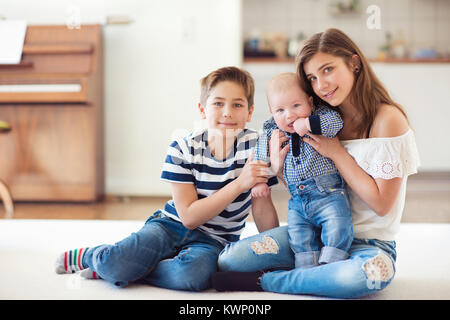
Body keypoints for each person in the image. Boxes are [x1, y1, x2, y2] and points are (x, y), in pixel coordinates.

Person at [212, 28, 420, 298]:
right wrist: (277, 169)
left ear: (354, 64)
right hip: (314, 234)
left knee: (361, 276)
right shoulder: (314, 116)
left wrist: (336, 152)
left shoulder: (386, 119)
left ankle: (269, 281)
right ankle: (313, 273)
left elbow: (382, 205)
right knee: (231, 260)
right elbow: (304, 184)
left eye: (328, 69)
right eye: (312, 77)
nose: (321, 85)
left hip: (370, 245)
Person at [54, 66, 278, 291]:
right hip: (170, 226)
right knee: (114, 263)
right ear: (202, 109)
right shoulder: (183, 148)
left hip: (214, 241)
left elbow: (261, 207)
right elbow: (189, 217)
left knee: (192, 276)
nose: (227, 112)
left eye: (237, 104)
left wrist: (274, 252)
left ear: (249, 112)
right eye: (218, 103)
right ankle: (94, 257)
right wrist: (240, 183)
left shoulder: (257, 150)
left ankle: (132, 268)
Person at [251, 72, 353, 269]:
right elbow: (260, 154)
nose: (289, 115)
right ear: (271, 112)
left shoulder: (319, 116)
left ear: (310, 102)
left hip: (328, 193)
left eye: (296, 106)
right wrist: (260, 181)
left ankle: (333, 262)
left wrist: (307, 124)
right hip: (297, 199)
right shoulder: (273, 131)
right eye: (280, 110)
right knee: (298, 234)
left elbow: (335, 123)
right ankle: (307, 266)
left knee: (338, 223)